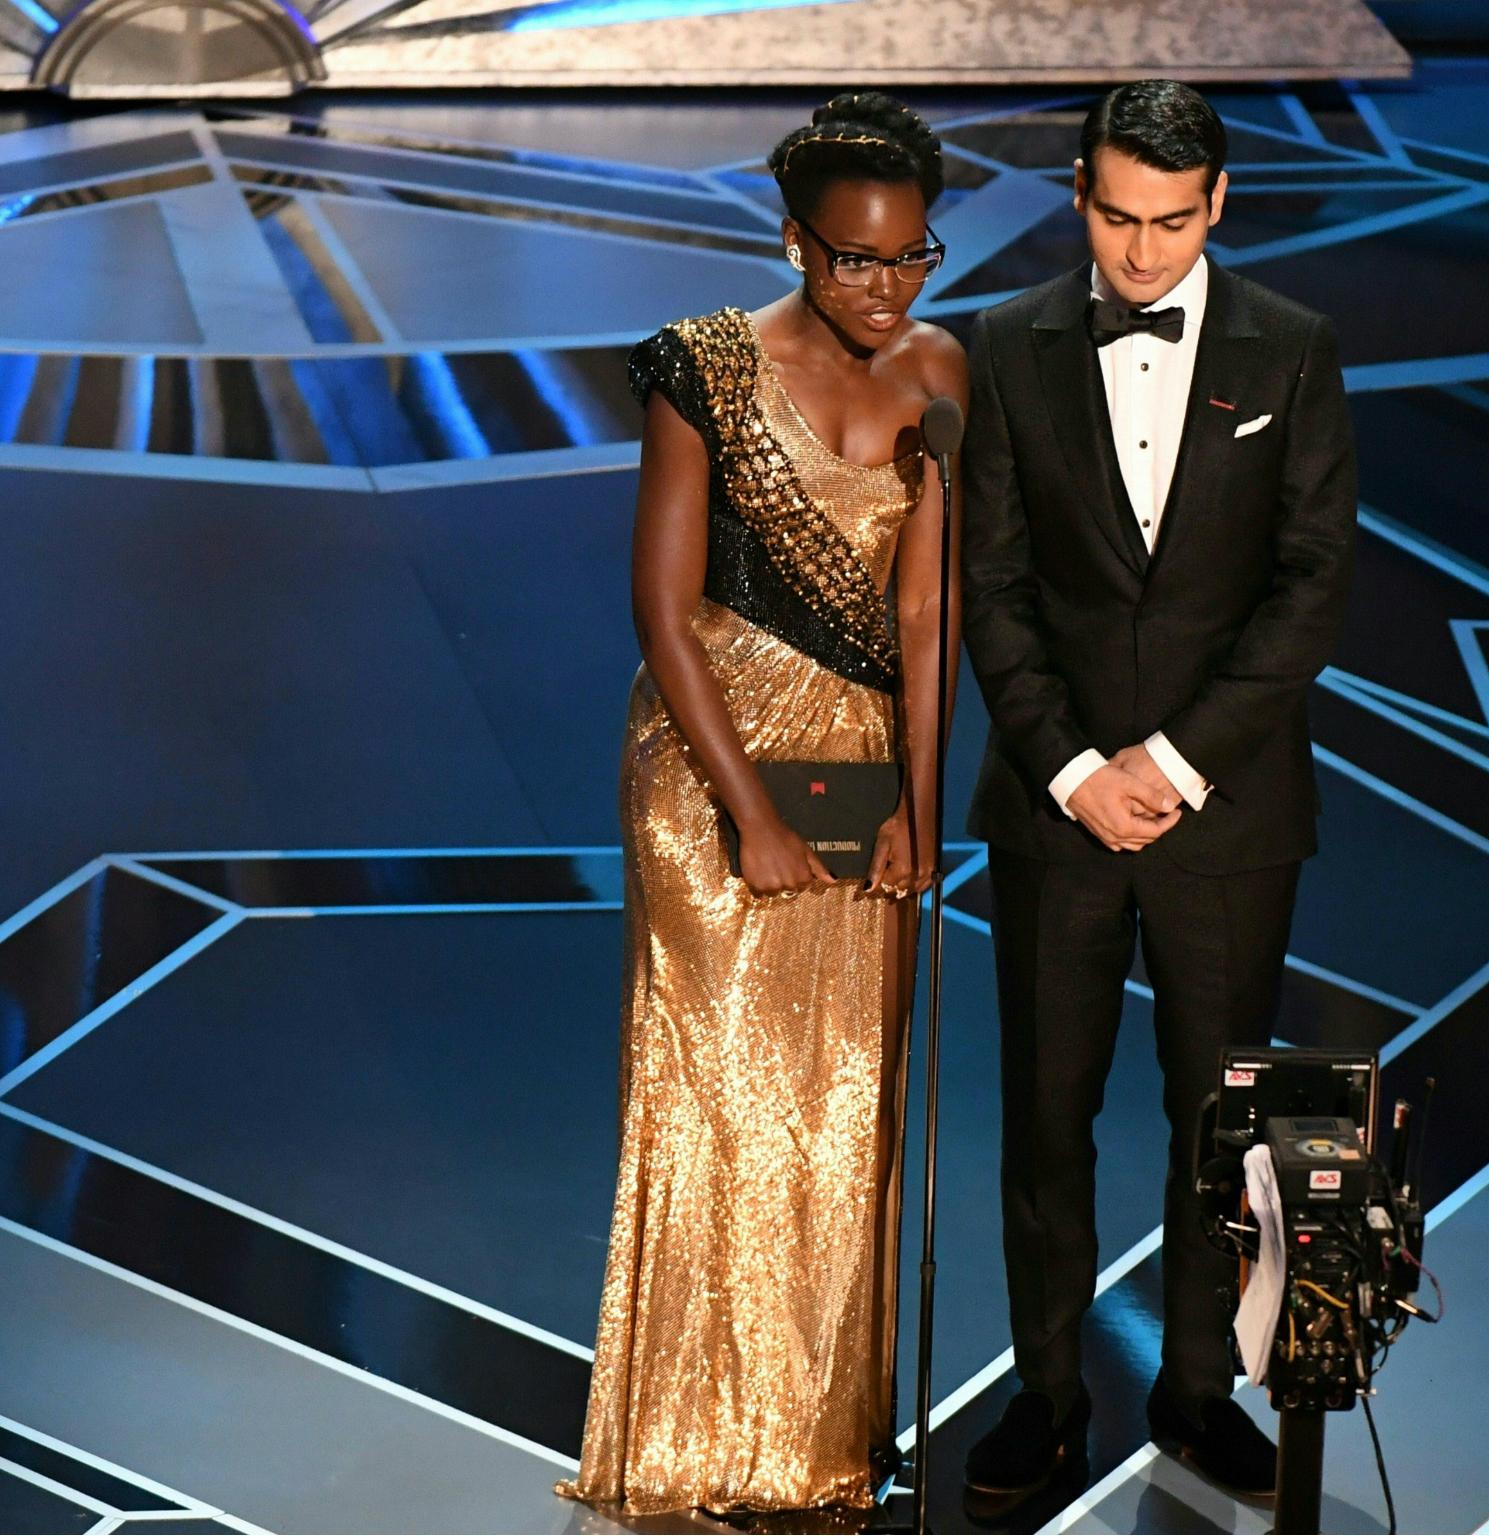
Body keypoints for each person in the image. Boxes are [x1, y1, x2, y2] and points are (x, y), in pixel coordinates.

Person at [553, 91, 965, 1519]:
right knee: (723, 1093)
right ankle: (692, 1441)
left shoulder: (939, 376)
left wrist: (919, 802)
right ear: (795, 242)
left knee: (845, 1107)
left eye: (911, 256)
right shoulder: (704, 369)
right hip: (708, 761)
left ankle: (818, 1445)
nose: (885, 285)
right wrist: (754, 816)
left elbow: (926, 624)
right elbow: (663, 613)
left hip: (863, 775)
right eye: (856, 257)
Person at [958, 79, 1357, 1511]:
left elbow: (1311, 590)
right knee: (1044, 1120)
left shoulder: (1296, 353)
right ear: (1079, 195)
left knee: (1220, 1125)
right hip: (1054, 814)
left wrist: (1173, 765)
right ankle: (1047, 1396)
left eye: (1172, 222)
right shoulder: (1002, 350)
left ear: (1221, 203)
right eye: (1119, 219)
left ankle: (1199, 1395)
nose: (1142, 253)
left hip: (1227, 815)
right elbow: (986, 586)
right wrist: (1073, 770)